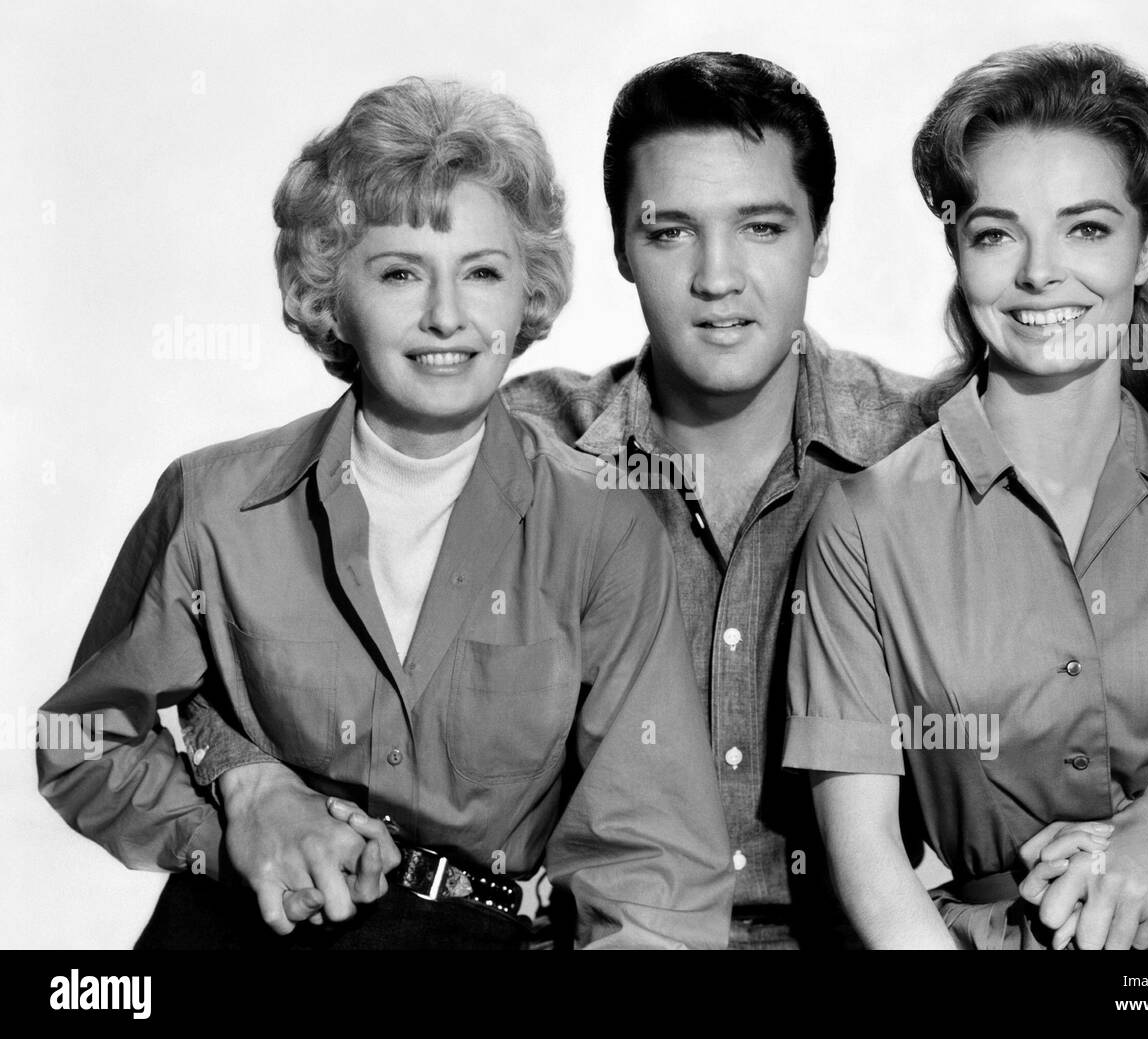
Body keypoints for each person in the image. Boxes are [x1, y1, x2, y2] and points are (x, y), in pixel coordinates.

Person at [180, 52, 1148, 950]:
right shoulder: (519, 441)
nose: (716, 276)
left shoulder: (937, 455)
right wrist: (250, 783)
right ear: (615, 247)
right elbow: (260, 660)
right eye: (669, 232)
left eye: (760, 227)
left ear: (821, 238)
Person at [36, 76, 733, 950]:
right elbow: (77, 737)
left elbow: (651, 867)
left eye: (482, 272)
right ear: (331, 292)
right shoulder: (213, 504)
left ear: (528, 293)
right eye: (401, 271)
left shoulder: (601, 529)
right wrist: (228, 826)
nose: (447, 315)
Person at [784, 42, 1148, 949]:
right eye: (996, 233)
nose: (1039, 272)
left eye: (1088, 229)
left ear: (1145, 252)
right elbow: (864, 855)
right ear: (957, 250)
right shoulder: (864, 526)